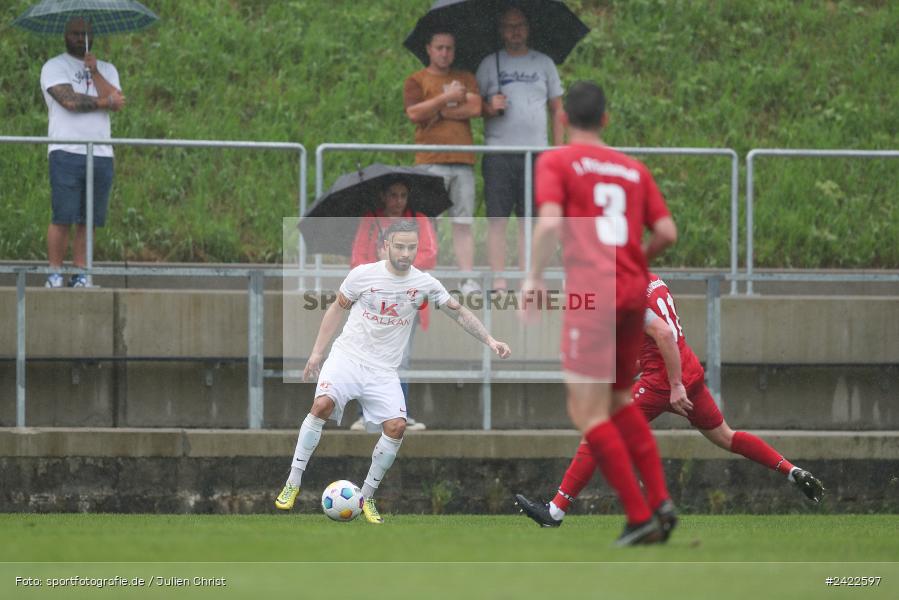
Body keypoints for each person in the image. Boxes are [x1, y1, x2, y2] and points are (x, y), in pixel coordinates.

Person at [515, 273, 826, 527]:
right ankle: (791, 471)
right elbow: (654, 340)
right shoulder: (651, 279)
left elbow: (663, 334)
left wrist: (674, 385)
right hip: (686, 369)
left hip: (665, 380)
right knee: (726, 436)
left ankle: (555, 511)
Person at [521, 81, 679, 546]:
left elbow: (550, 224)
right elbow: (667, 232)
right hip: (631, 294)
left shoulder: (557, 161)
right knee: (617, 401)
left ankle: (640, 514)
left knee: (586, 410)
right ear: (606, 119)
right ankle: (661, 502)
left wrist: (533, 277)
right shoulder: (633, 169)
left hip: (594, 295)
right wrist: (635, 262)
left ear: (563, 118)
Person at [276, 220, 511, 523]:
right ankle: (292, 483)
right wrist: (317, 352)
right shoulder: (363, 275)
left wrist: (490, 340)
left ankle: (366, 497)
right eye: (399, 246)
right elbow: (336, 308)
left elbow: (459, 312)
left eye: (411, 247)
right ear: (386, 245)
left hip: (383, 371)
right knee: (322, 405)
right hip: (347, 358)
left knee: (397, 426)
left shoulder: (424, 283)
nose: (405, 253)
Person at [476, 6, 564, 292]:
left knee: (531, 219)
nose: (515, 31)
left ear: (528, 28)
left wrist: (558, 150)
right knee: (498, 219)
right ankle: (499, 279)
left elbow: (557, 108)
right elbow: (474, 106)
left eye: (520, 25)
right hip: (498, 153)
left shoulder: (544, 63)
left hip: (537, 154)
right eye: (509, 26)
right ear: (501, 30)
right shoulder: (489, 64)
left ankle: (528, 275)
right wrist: (490, 107)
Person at [40, 17, 125, 288]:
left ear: (92, 36)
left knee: (89, 221)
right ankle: (54, 273)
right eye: (75, 33)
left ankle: (81, 273)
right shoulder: (54, 66)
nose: (80, 38)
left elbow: (117, 102)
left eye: (85, 33)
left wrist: (95, 72)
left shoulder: (107, 69)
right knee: (62, 216)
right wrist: (104, 101)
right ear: (66, 36)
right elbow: (69, 101)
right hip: (66, 150)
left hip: (100, 153)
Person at [348, 179, 439, 431]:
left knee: (401, 359)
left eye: (403, 195)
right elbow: (357, 258)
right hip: (375, 302)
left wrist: (396, 261)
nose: (398, 201)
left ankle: (399, 414)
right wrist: (379, 267)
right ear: (383, 196)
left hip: (407, 303)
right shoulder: (371, 220)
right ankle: (366, 414)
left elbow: (429, 255)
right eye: (393, 195)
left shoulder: (418, 220)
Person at [404, 32, 482, 295]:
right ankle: (426, 275)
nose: (445, 53)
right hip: (430, 160)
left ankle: (467, 278)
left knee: (463, 222)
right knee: (428, 221)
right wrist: (443, 100)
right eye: (440, 48)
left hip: (463, 161)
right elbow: (414, 113)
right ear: (429, 49)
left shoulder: (465, 78)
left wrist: (439, 111)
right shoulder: (417, 80)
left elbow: (475, 107)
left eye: (449, 48)